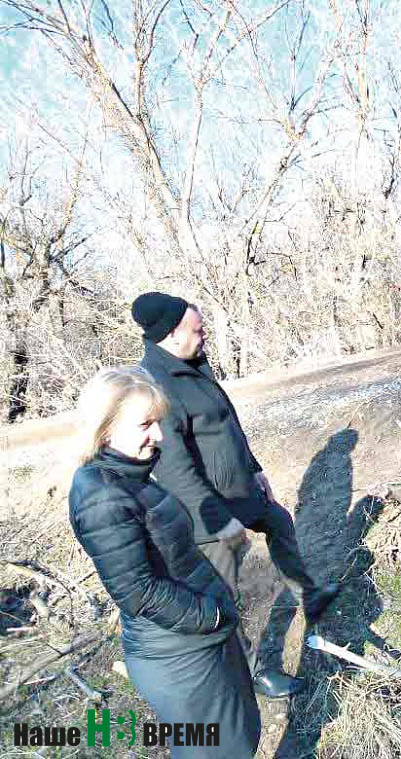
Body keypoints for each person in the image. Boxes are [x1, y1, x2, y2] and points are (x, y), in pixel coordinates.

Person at [131, 291, 339, 699]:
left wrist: (255, 466)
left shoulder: (192, 364)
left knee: (280, 523)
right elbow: (173, 468)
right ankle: (253, 672)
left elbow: (227, 426)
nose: (204, 334)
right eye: (197, 329)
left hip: (240, 487)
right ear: (172, 335)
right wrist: (216, 519)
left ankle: (309, 596)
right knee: (222, 597)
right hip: (205, 509)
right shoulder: (156, 386)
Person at [68, 367, 261, 758]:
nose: (158, 436)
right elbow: (138, 593)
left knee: (236, 741)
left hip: (196, 638)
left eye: (157, 423)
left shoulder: (131, 475)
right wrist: (212, 616)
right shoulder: (101, 496)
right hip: (178, 654)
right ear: (106, 429)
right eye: (145, 425)